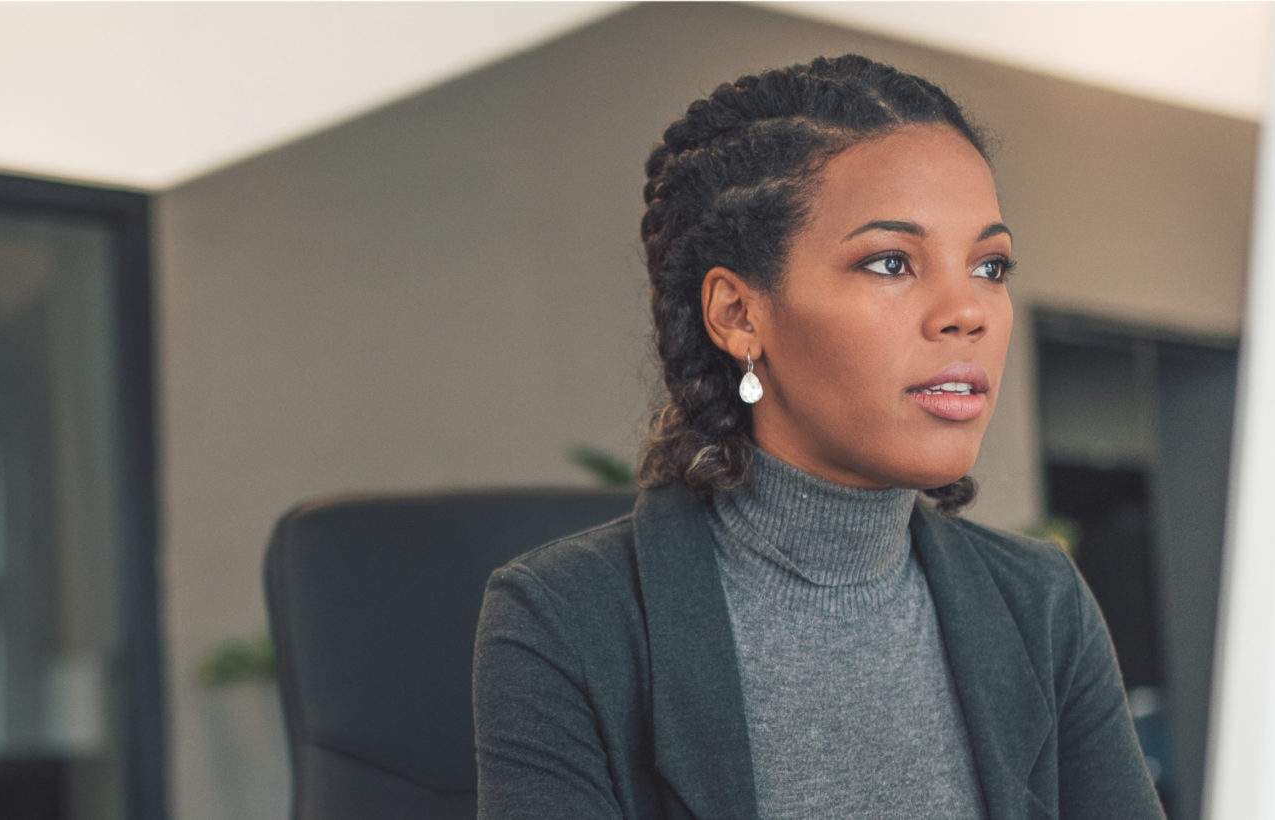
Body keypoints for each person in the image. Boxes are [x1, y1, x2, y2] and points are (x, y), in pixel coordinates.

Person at [472, 54, 1165, 819]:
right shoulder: (567, 619)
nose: (966, 310)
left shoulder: (1040, 603)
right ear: (738, 314)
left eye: (990, 266)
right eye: (891, 261)